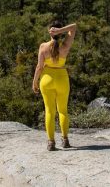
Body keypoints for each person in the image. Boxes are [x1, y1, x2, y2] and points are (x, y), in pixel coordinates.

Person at [31, 20, 77, 150]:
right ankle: (65, 140)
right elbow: (74, 26)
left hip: (46, 79)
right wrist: (61, 30)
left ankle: (51, 142)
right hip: (62, 78)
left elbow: (39, 67)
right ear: (60, 31)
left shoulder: (43, 47)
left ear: (49, 31)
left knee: (49, 111)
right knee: (63, 111)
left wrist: (34, 82)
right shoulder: (65, 45)